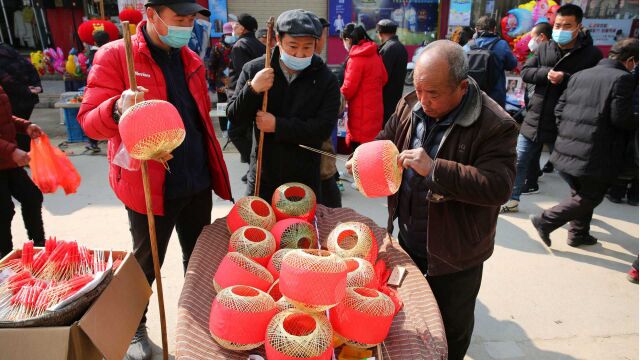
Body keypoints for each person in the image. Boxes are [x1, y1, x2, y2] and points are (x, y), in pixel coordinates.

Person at [77, 0, 233, 358]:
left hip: (195, 178)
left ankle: (195, 325)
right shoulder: (117, 56)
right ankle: (134, 330)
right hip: (149, 183)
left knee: (199, 260)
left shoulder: (191, 59)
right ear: (152, 15)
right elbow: (89, 121)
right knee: (146, 264)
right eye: (180, 19)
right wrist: (117, 106)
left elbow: (198, 120)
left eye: (192, 19)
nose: (188, 27)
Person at [347, 40, 517, 360]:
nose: (423, 100)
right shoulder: (411, 103)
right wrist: (363, 157)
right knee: (411, 317)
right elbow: (387, 139)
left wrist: (434, 169)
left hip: (456, 251)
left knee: (451, 328)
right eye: (419, 88)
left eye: (434, 93)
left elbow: (498, 186)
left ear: (462, 87)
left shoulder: (495, 124)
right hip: (410, 237)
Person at [530, 38, 638, 248]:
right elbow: (620, 118)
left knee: (580, 193)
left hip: (568, 145)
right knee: (590, 196)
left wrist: (569, 130)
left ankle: (578, 233)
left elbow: (559, 109)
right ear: (631, 60)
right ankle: (545, 220)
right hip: (595, 150)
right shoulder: (622, 79)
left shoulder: (580, 75)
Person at [227, 9, 340, 200]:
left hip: (304, 180)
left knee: (299, 230)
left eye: (307, 47)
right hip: (263, 176)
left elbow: (322, 129)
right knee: (257, 228)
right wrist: (253, 89)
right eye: (293, 46)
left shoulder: (325, 78)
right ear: (278, 39)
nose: (300, 54)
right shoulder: (255, 69)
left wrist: (278, 125)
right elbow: (234, 117)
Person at [501, 4, 602, 213]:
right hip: (536, 115)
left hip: (568, 120)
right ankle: (512, 198)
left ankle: (580, 207)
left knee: (569, 170)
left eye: (567, 26)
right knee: (519, 160)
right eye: (558, 25)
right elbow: (527, 72)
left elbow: (594, 84)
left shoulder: (591, 55)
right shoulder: (545, 47)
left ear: (578, 26)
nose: (561, 30)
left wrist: (566, 78)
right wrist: (546, 73)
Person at [0, 84, 45, 257]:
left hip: (7, 162)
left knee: (32, 196)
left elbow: (4, 118)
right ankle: (5, 257)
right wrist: (11, 151)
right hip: (6, 156)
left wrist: (25, 126)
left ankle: (38, 246)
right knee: (3, 210)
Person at [227, 13, 265, 183]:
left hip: (246, 94)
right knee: (251, 132)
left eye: (236, 25)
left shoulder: (239, 46)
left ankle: (254, 165)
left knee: (234, 132)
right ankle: (254, 166)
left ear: (243, 28)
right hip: (260, 93)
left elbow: (241, 73)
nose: (233, 28)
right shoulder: (259, 44)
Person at [340, 23, 387, 149]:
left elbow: (348, 90)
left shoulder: (356, 59)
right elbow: (384, 78)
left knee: (358, 157)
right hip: (375, 113)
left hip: (360, 118)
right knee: (371, 153)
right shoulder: (375, 54)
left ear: (348, 40)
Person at [521, 21, 553, 195]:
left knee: (528, 149)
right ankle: (533, 175)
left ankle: (530, 180)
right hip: (536, 108)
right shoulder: (537, 55)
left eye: (532, 37)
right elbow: (526, 73)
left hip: (542, 111)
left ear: (541, 37)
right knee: (534, 146)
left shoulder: (550, 55)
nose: (530, 40)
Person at [463, 15, 517, 108]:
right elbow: (512, 64)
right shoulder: (502, 44)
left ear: (476, 30)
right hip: (495, 97)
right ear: (495, 29)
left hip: (472, 96)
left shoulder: (467, 46)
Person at [0, 41, 42, 152]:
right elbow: (30, 66)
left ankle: (27, 155)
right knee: (18, 128)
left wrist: (27, 89)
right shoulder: (8, 49)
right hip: (26, 96)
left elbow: (7, 80)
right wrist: (35, 86)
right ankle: (29, 154)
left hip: (15, 98)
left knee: (14, 130)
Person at [377, 19, 408, 127]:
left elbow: (381, 77)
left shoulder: (387, 48)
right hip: (396, 97)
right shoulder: (401, 47)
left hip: (385, 100)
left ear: (380, 34)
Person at [84, 30, 111, 154]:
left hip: (97, 89)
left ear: (94, 41)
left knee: (97, 115)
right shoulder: (111, 51)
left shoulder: (92, 54)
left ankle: (93, 142)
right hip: (108, 87)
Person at [209, 22, 235, 138]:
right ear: (224, 34)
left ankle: (234, 129)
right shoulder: (217, 47)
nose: (230, 35)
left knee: (235, 106)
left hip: (235, 83)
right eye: (228, 34)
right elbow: (211, 66)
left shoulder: (238, 45)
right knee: (222, 108)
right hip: (221, 84)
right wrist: (211, 82)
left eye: (232, 33)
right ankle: (224, 130)